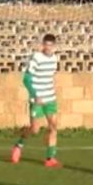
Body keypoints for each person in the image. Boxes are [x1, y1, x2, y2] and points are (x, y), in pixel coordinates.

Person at [11, 33, 61, 168]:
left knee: (53, 126)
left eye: (51, 45)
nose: (48, 47)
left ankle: (50, 158)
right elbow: (26, 78)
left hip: (50, 98)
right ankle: (19, 144)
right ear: (43, 45)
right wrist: (35, 95)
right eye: (46, 44)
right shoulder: (36, 58)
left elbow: (50, 76)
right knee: (35, 129)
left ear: (54, 46)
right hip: (37, 99)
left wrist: (52, 90)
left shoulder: (55, 59)